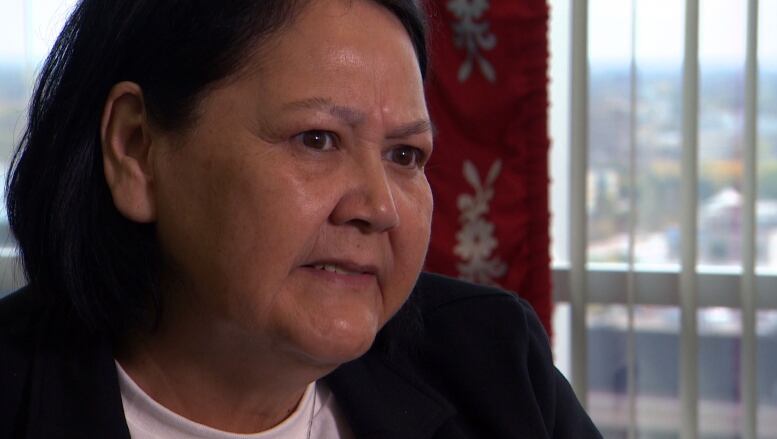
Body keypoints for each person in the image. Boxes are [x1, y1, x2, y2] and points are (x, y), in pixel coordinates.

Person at [0, 0, 601, 437]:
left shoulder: (495, 369)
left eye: (404, 155)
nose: (380, 208)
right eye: (317, 139)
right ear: (136, 150)